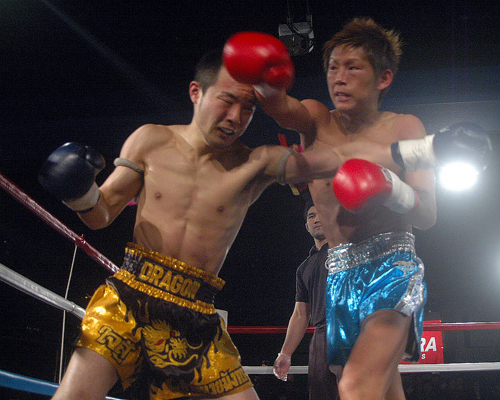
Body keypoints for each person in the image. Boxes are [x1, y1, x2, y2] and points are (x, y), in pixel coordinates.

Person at [37, 47, 447, 400]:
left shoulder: (256, 162)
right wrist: (80, 194)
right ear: (196, 92)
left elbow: (341, 159)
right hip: (127, 297)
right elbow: (102, 214)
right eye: (227, 101)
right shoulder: (150, 140)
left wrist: (433, 147)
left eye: (248, 107)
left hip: (195, 314)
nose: (236, 117)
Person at [222, 19, 491, 400]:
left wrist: (390, 188)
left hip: (392, 268)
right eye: (333, 67)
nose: (339, 78)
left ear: (383, 78)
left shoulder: (404, 126)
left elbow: (427, 215)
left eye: (353, 67)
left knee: (356, 385)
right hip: (339, 275)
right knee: (382, 389)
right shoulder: (316, 119)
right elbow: (279, 107)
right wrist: (263, 79)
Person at [273, 196, 341, 399]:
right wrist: (285, 353)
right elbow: (300, 314)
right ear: (306, 226)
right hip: (320, 336)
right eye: (311, 216)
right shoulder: (304, 268)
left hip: (350, 329)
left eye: (321, 214)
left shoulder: (346, 250)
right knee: (320, 393)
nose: (316, 219)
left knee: (355, 392)